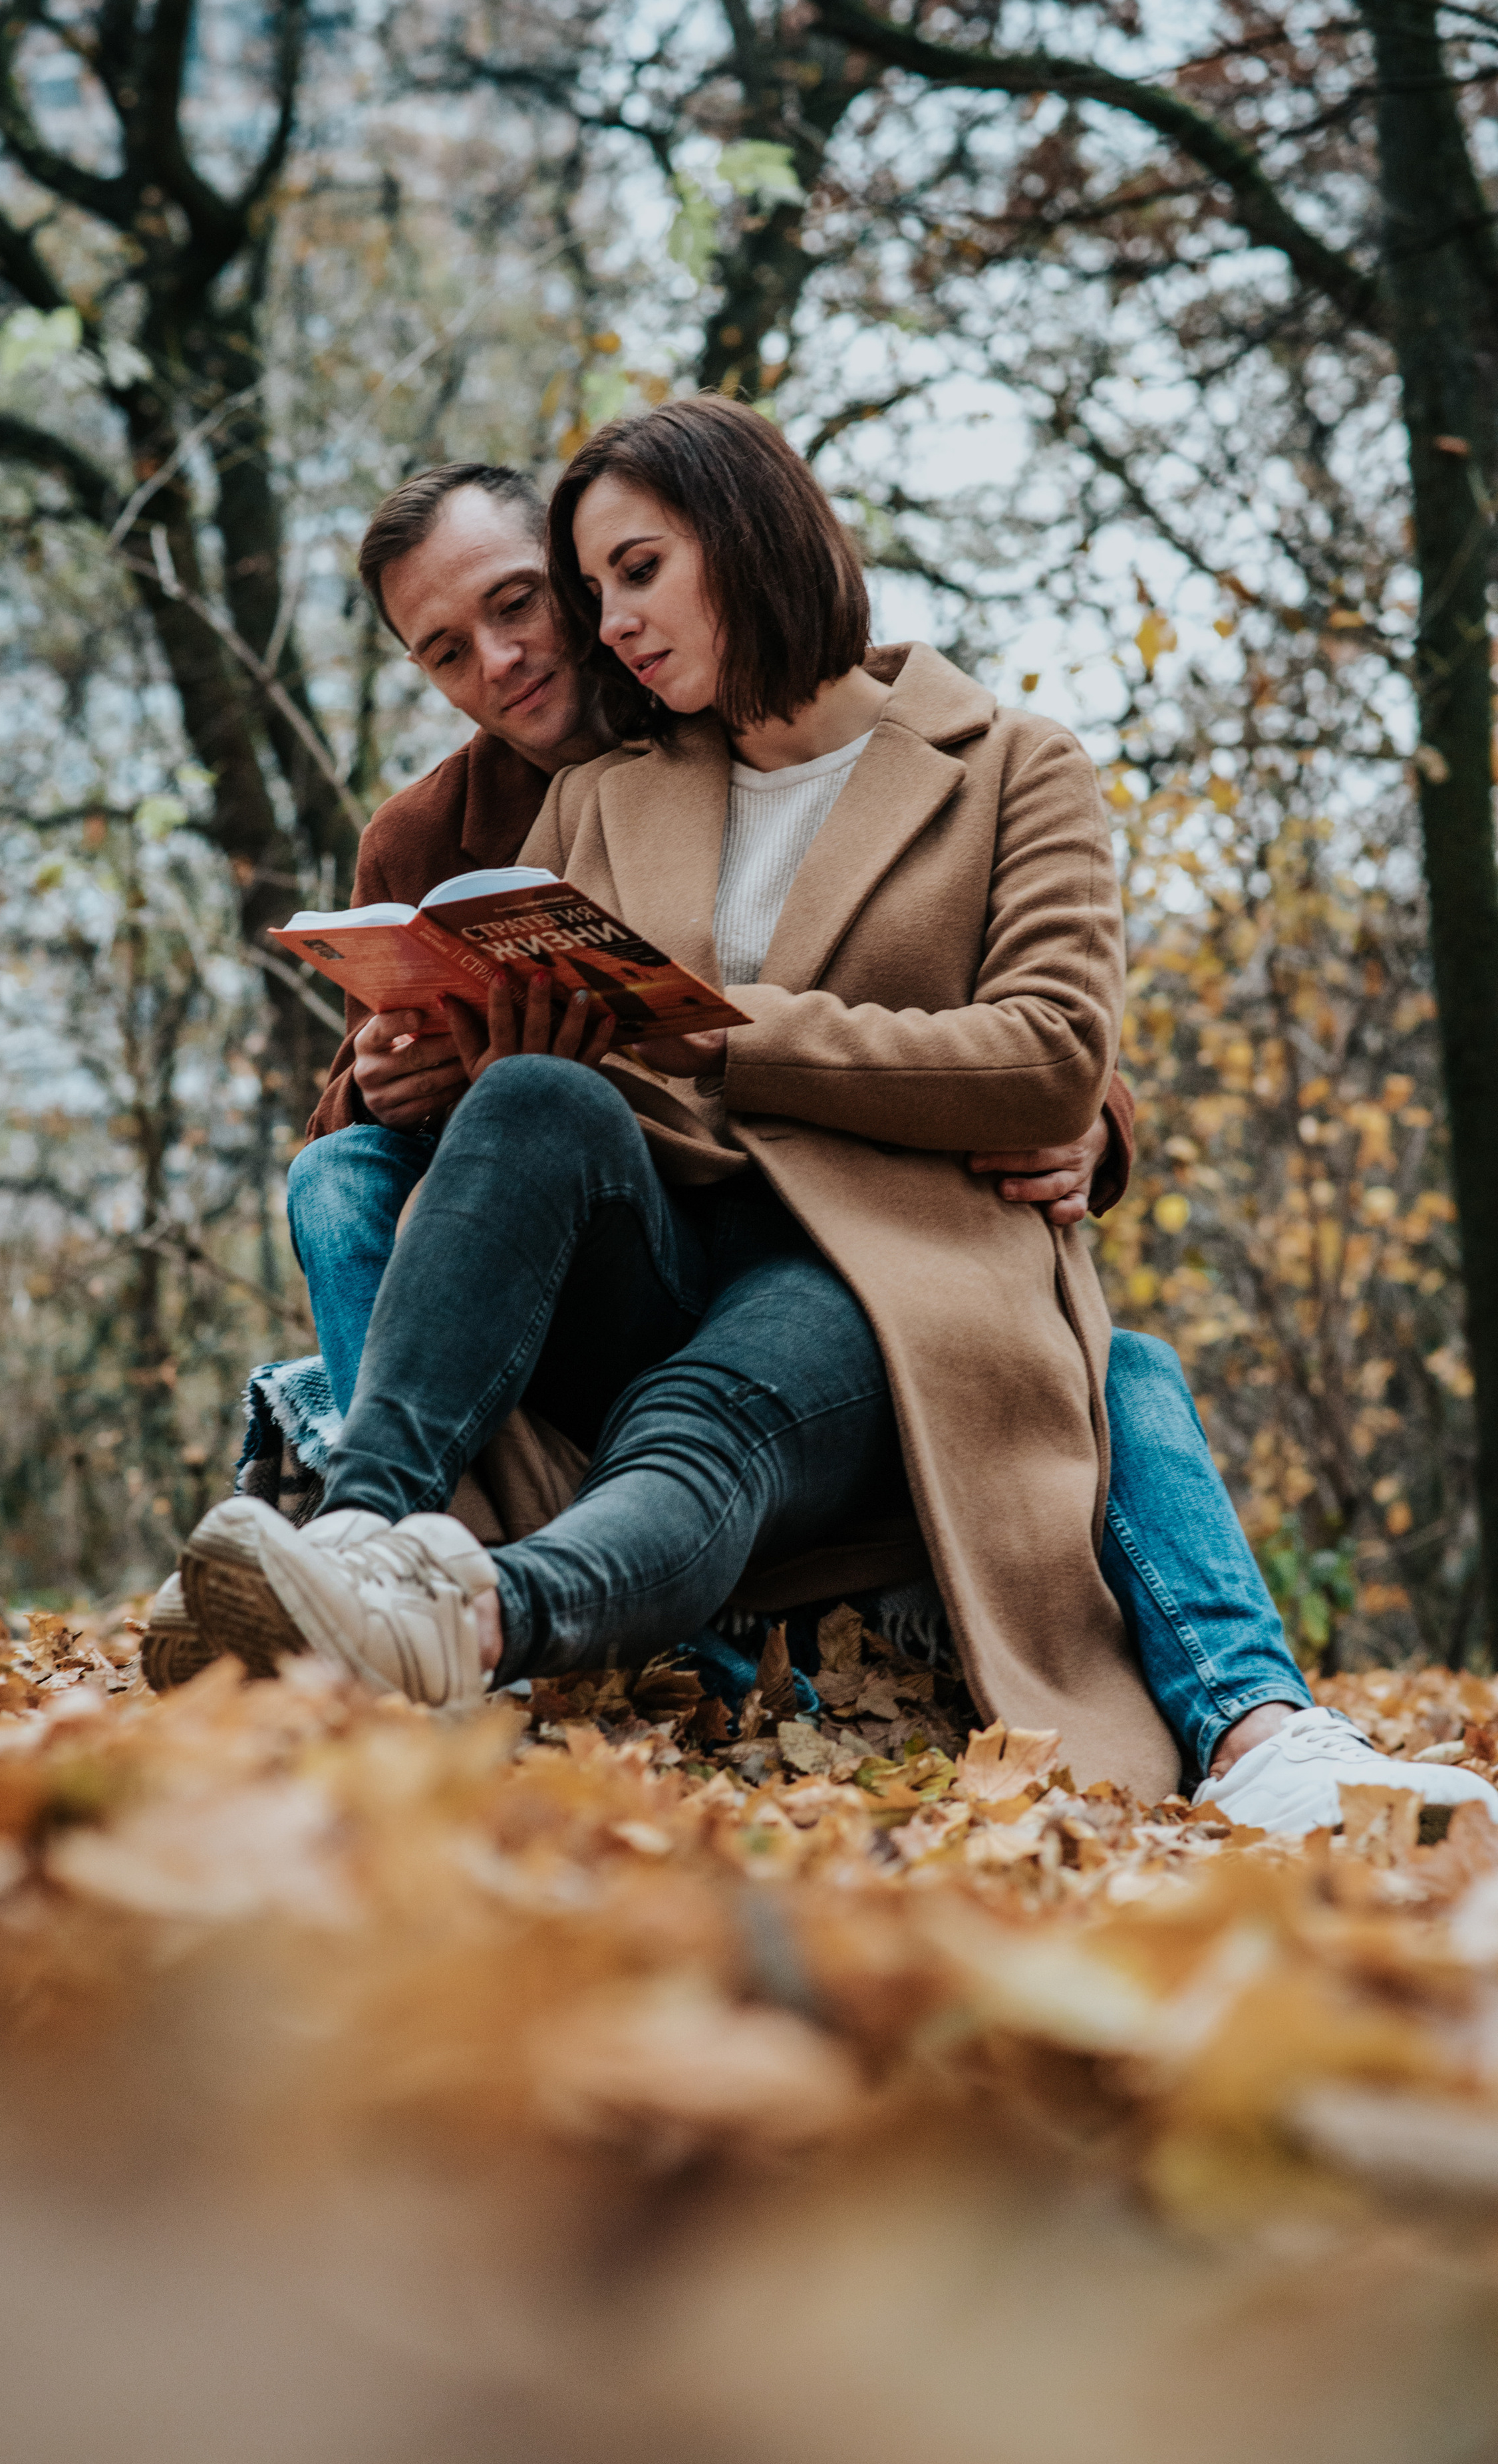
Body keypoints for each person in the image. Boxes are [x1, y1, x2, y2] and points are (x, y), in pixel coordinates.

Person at [172, 424, 1492, 1836]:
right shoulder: (593, 794)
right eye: (586, 594)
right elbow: (496, 1097)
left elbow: (1054, 1049)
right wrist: (450, 1064)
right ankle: (363, 1537)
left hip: (882, 1257)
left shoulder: (1010, 763)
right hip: (660, 1240)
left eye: (624, 577)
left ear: (748, 532)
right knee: (488, 1115)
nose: (599, 629)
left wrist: (748, 1037)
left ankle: (482, 1613)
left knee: (809, 1403)